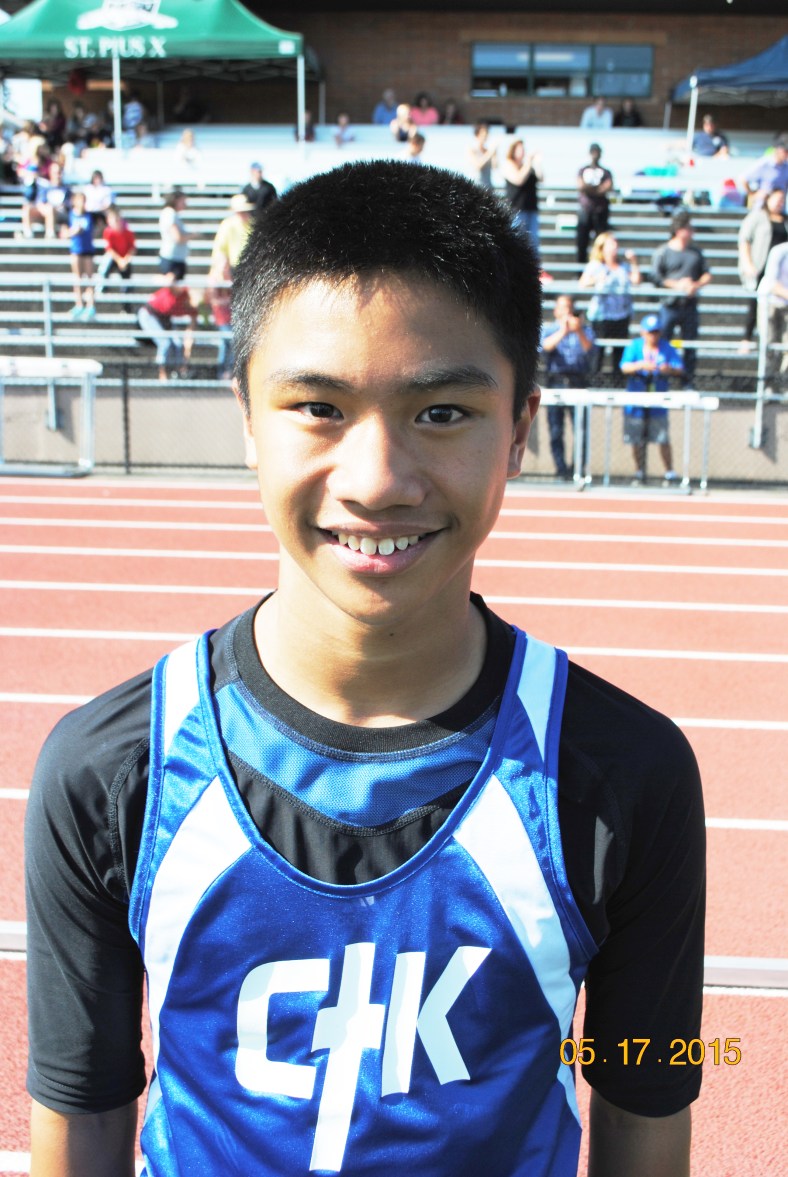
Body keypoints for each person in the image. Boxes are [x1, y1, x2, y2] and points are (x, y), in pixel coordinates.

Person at [26, 160, 704, 1177]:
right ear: (245, 419)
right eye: (317, 407)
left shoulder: (628, 771)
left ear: (519, 426)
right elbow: (79, 1111)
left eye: (441, 413)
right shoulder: (106, 770)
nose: (378, 479)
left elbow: (646, 1092)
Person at [620, 313, 684, 485]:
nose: (653, 336)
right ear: (643, 332)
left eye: (656, 332)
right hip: (637, 399)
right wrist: (641, 365)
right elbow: (624, 367)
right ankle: (639, 471)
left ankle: (669, 472)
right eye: (650, 332)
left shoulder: (666, 347)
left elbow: (679, 368)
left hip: (658, 400)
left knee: (662, 438)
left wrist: (667, 368)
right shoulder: (635, 346)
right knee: (636, 438)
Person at [651, 210, 712, 390]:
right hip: (669, 305)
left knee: (690, 346)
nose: (692, 232)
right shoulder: (663, 252)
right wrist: (677, 285)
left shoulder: (696, 252)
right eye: (688, 228)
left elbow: (707, 274)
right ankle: (661, 380)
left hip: (689, 306)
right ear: (679, 229)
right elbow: (655, 277)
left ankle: (687, 382)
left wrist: (695, 285)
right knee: (663, 344)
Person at [540, 293, 597, 479]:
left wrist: (578, 330)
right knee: (556, 430)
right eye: (563, 308)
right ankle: (560, 469)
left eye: (569, 308)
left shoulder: (585, 329)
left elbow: (589, 350)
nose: (567, 312)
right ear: (556, 311)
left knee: (580, 429)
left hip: (578, 381)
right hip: (556, 381)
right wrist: (563, 331)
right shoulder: (549, 330)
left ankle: (577, 468)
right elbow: (545, 347)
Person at [579, 231, 641, 379]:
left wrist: (634, 262)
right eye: (611, 244)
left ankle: (617, 383)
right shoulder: (596, 265)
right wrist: (596, 279)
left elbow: (637, 280)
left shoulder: (623, 266)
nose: (615, 247)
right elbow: (583, 283)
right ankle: (595, 381)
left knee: (618, 351)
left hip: (621, 314)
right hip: (602, 315)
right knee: (598, 351)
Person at [737, 188, 787, 352]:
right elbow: (745, 239)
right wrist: (747, 263)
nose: (780, 202)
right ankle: (746, 338)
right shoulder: (758, 216)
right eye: (777, 199)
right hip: (760, 266)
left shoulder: (785, 220)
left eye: (782, 199)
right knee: (754, 303)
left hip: (779, 271)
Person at [136, 283, 198, 382]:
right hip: (150, 314)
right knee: (165, 343)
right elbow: (170, 284)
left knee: (178, 343)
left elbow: (190, 330)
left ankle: (178, 371)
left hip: (165, 318)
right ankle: (162, 372)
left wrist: (187, 347)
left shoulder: (193, 308)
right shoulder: (181, 291)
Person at [502, 138, 543, 256]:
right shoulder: (509, 164)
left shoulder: (529, 166)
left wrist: (538, 163)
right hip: (516, 209)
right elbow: (518, 179)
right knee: (517, 240)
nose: (523, 152)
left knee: (533, 241)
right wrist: (528, 163)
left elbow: (541, 178)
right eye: (520, 149)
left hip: (531, 208)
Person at [758, 240, 788, 391]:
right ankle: (767, 387)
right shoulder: (780, 251)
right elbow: (772, 283)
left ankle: (784, 387)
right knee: (768, 344)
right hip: (769, 302)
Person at [576, 143, 613, 264]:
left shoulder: (606, 171)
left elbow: (608, 186)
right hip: (586, 210)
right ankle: (580, 271)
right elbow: (581, 186)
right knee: (582, 242)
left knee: (602, 241)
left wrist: (591, 190)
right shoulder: (583, 170)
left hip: (600, 211)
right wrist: (597, 189)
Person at [96, 204, 136, 312]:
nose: (116, 222)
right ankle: (101, 289)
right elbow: (110, 249)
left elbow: (132, 248)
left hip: (124, 259)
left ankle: (126, 307)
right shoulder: (108, 232)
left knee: (126, 284)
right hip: (114, 258)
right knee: (104, 269)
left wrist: (125, 260)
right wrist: (119, 260)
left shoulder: (128, 232)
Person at [65, 189, 96, 321]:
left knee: (89, 278)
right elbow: (64, 232)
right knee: (77, 278)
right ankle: (79, 304)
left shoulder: (90, 215)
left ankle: (90, 305)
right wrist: (73, 231)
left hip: (88, 250)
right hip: (76, 250)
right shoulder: (70, 215)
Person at [20, 159, 70, 239]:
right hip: (45, 212)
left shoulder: (66, 189)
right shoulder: (45, 187)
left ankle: (50, 234)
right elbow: (40, 202)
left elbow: (68, 205)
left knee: (50, 208)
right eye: (55, 173)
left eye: (59, 173)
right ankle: (27, 233)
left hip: (60, 215)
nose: (57, 175)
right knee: (27, 207)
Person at [158, 189, 197, 283]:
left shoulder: (171, 214)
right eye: (183, 200)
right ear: (176, 200)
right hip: (172, 258)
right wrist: (192, 235)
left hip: (175, 257)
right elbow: (178, 238)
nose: (185, 203)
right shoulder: (170, 213)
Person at [211, 193, 255, 277]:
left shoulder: (254, 223)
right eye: (240, 211)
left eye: (245, 211)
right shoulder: (227, 225)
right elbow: (220, 248)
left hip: (251, 266)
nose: (243, 214)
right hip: (234, 267)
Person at [739, 136, 788, 209]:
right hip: (761, 208)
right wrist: (753, 194)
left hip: (779, 209)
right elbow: (743, 179)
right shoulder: (764, 164)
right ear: (778, 149)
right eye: (786, 151)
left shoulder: (786, 166)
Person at [467, 122, 497, 189]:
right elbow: (478, 166)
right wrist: (490, 153)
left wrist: (495, 154)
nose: (485, 136)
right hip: (476, 187)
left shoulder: (488, 151)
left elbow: (495, 167)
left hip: (489, 187)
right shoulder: (471, 150)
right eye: (483, 134)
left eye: (487, 133)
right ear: (477, 135)